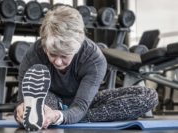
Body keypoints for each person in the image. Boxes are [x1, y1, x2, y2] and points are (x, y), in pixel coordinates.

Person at [14, 5, 158, 131]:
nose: (58, 62)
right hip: (51, 100)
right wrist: (20, 111)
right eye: (52, 54)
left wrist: (60, 116)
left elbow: (81, 105)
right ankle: (53, 114)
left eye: (64, 56)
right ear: (45, 46)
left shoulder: (94, 59)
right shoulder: (33, 55)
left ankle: (67, 117)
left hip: (86, 102)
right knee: (43, 102)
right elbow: (22, 101)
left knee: (148, 96)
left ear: (76, 48)